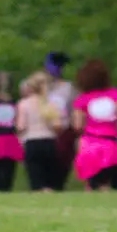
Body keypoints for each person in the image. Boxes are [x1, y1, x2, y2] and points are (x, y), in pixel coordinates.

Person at [70, 59, 117, 191]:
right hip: (110, 143)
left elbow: (77, 125)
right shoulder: (114, 94)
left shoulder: (82, 100)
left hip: (89, 143)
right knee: (105, 182)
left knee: (91, 182)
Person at [17, 71, 63, 192]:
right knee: (49, 179)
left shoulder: (24, 104)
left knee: (36, 180)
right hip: (49, 141)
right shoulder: (51, 104)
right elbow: (57, 126)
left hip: (32, 142)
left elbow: (21, 126)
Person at [43, 51, 77, 190]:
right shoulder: (42, 88)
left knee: (60, 171)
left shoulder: (69, 88)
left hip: (63, 132)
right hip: (44, 132)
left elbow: (73, 111)